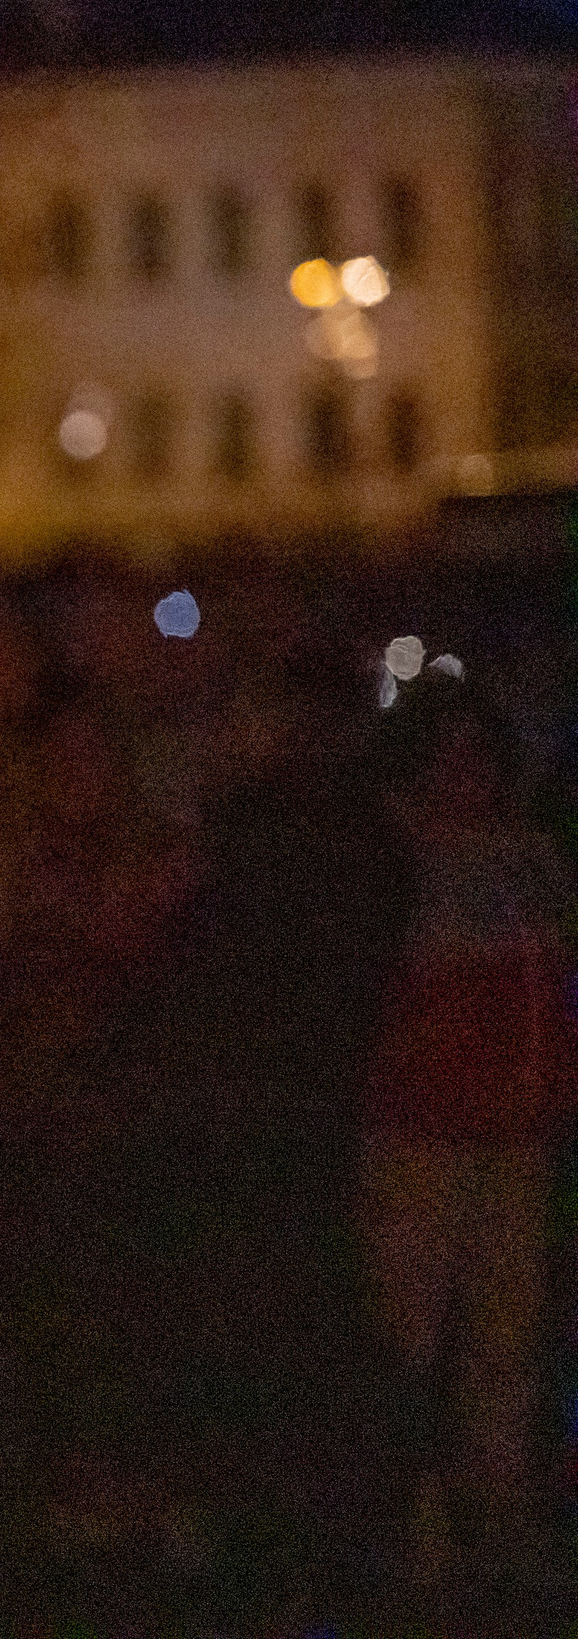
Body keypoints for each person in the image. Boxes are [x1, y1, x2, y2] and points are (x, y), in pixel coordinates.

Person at [360, 689, 576, 1614]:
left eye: (480, 754)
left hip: (517, 1131)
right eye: (449, 754)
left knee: (505, 1338)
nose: (469, 773)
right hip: (421, 1131)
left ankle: (496, 1522)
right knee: (409, 1332)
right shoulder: (398, 858)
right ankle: (411, 1527)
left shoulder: (532, 862)